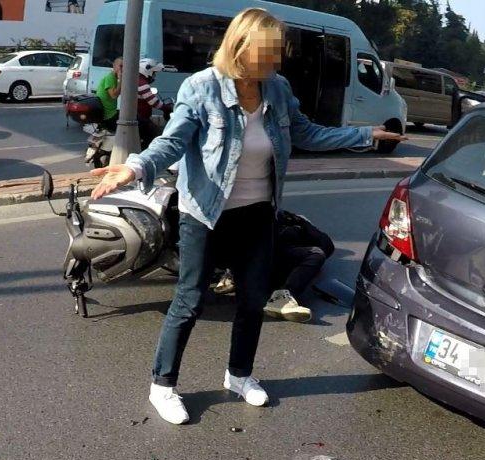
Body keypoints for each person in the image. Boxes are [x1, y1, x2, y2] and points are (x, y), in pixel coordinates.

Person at [90, 7, 405, 424]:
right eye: (270, 53)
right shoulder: (201, 88)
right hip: (205, 212)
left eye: (278, 54)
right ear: (243, 48)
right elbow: (172, 142)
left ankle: (239, 375)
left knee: (253, 299)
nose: (277, 62)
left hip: (258, 212)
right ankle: (162, 386)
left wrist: (364, 135)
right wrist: (134, 167)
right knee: (189, 301)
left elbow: (306, 132)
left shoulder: (276, 89)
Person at [263, 211, 334, 322]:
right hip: (252, 258)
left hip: (275, 261)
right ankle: (229, 275)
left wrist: (300, 222)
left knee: (316, 253)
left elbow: (327, 245)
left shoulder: (296, 222)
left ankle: (282, 298)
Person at [135, 57, 170, 148]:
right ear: (147, 71)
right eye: (154, 73)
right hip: (139, 117)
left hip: (139, 116)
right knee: (156, 136)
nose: (154, 76)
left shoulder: (137, 80)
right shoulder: (142, 84)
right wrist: (166, 108)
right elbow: (154, 102)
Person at [95, 57, 122, 133]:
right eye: (120, 66)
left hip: (112, 112)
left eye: (124, 66)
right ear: (114, 66)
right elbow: (114, 95)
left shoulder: (114, 78)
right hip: (109, 116)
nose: (122, 69)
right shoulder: (110, 78)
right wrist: (120, 80)